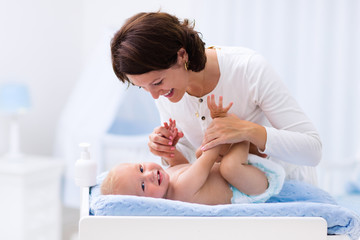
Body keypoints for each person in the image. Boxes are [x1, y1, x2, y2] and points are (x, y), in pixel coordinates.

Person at [110, 11, 322, 186]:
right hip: (236, 204)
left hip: (290, 195)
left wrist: (247, 130)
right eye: (142, 88)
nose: (155, 95)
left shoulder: (248, 69)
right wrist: (169, 149)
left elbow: (312, 151)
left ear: (182, 55)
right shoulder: (167, 91)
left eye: (157, 83)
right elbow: (191, 163)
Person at [101, 95, 285, 204]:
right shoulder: (180, 191)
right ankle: (241, 134)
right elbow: (210, 155)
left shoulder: (168, 180)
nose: (148, 174)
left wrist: (171, 149)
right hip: (249, 188)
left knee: (199, 155)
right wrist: (219, 124)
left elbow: (183, 166)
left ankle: (236, 135)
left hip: (241, 176)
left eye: (141, 168)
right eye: (142, 186)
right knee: (224, 165)